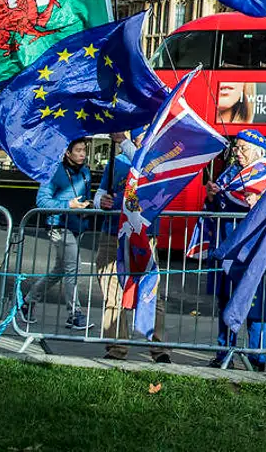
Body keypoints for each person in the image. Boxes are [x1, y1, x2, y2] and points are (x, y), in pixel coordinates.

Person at [93, 129, 171, 363]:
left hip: (143, 235)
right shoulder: (118, 161)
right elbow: (100, 193)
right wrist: (100, 202)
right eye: (141, 133)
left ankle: (160, 349)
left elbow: (145, 172)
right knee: (111, 291)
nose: (145, 136)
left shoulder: (157, 158)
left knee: (150, 291)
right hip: (112, 231)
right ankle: (116, 347)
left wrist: (124, 141)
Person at [207, 129, 266, 370]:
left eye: (242, 149)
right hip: (227, 248)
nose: (237, 153)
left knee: (254, 305)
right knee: (225, 302)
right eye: (235, 148)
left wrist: (257, 205)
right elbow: (217, 204)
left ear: (257, 152)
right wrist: (212, 195)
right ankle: (224, 353)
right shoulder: (230, 174)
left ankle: (257, 357)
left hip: (252, 252)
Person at [21, 138, 94, 331]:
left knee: (60, 270)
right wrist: (67, 206)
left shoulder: (86, 172)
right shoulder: (53, 172)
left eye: (84, 150)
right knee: (74, 267)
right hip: (58, 226)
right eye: (77, 150)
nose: (82, 154)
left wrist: (88, 207)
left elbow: (85, 198)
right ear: (67, 153)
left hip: (77, 226)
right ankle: (74, 313)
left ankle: (28, 301)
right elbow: (42, 201)